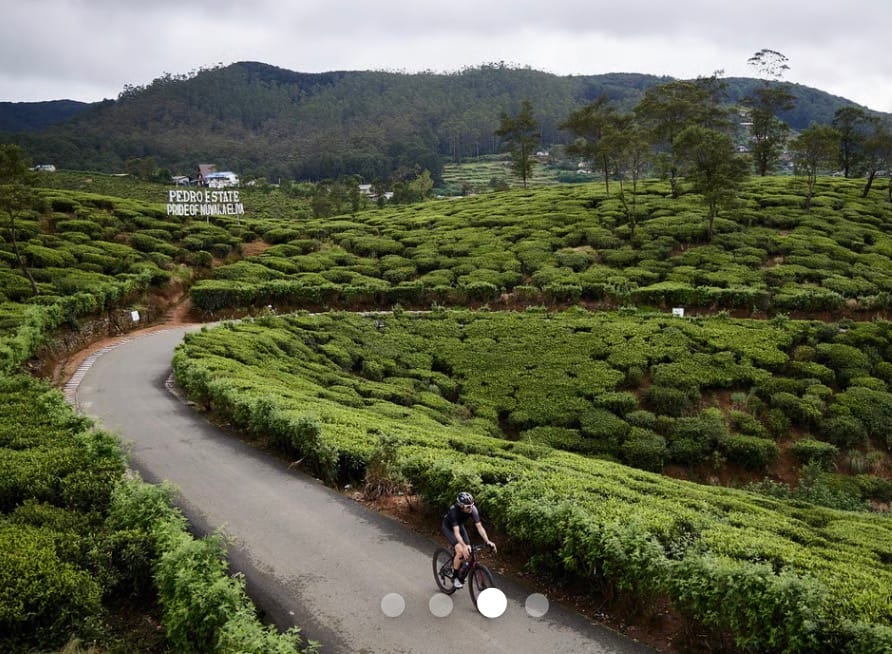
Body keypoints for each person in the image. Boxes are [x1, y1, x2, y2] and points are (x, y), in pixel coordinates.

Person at [441, 491, 497, 589]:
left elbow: (479, 527)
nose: (471, 508)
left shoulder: (473, 509)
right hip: (450, 528)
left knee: (469, 548)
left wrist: (487, 541)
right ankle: (455, 577)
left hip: (460, 525)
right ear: (461, 506)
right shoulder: (454, 512)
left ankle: (461, 565)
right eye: (468, 506)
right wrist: (463, 546)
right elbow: (456, 533)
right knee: (460, 550)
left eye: (472, 505)